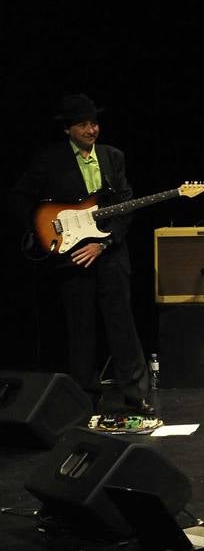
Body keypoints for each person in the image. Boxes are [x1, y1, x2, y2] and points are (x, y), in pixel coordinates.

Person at [7, 94, 153, 415]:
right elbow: (19, 196)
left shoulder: (113, 157)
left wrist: (104, 243)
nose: (91, 130)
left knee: (121, 322)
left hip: (109, 252)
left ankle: (136, 392)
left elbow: (125, 206)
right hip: (72, 254)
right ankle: (84, 396)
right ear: (68, 130)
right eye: (83, 125)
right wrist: (40, 229)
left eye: (94, 123)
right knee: (80, 326)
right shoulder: (49, 160)